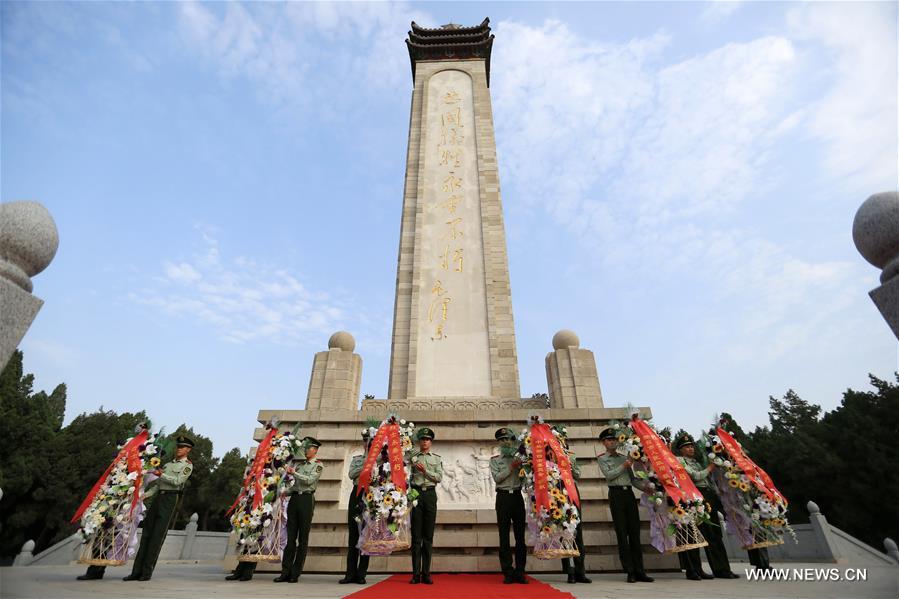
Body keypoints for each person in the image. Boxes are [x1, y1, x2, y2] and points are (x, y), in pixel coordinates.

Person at [122, 435, 194, 582]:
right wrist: (144, 495)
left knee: (157, 536)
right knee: (147, 534)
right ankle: (136, 571)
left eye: (182, 447)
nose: (178, 449)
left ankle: (146, 572)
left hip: (170, 498)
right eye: (178, 447)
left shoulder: (187, 466)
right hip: (159, 497)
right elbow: (157, 485)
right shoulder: (168, 465)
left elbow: (178, 481)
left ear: (188, 450)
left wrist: (162, 474)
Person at [675, 433, 739, 580]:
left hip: (708, 497)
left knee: (715, 533)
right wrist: (710, 467)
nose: (690, 449)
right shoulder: (680, 461)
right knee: (696, 533)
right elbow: (695, 476)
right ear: (680, 450)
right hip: (694, 497)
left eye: (691, 446)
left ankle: (722, 568)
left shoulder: (698, 462)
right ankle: (696, 570)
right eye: (686, 447)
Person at [597, 427, 653, 584]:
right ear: (603, 443)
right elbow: (609, 475)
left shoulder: (624, 458)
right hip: (616, 495)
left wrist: (646, 489)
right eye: (609, 440)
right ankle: (629, 571)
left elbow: (633, 479)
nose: (612, 442)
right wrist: (625, 465)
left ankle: (640, 570)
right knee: (622, 534)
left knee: (634, 533)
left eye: (614, 440)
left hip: (629, 495)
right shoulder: (602, 458)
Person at [274, 437, 323, 583]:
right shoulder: (300, 465)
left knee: (303, 538)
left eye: (309, 448)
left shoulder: (318, 465)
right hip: (294, 499)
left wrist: (293, 472)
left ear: (315, 450)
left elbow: (308, 481)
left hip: (307, 500)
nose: (306, 451)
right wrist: (284, 492)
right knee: (290, 537)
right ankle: (285, 571)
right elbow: (295, 485)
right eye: (306, 448)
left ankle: (295, 573)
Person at [490, 428, 527, 585]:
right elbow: (497, 478)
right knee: (503, 536)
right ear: (498, 442)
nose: (506, 442)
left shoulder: (521, 459)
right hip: (503, 497)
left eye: (508, 439)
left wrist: (522, 466)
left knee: (520, 537)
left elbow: (527, 479)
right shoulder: (495, 460)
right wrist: (511, 467)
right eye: (502, 439)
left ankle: (520, 571)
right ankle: (507, 571)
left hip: (518, 497)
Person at [408, 427, 442, 585]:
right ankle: (415, 574)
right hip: (415, 494)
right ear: (419, 441)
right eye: (422, 439)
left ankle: (426, 573)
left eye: (427, 439)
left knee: (428, 537)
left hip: (429, 494)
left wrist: (425, 471)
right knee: (416, 537)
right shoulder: (412, 457)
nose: (425, 442)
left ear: (431, 442)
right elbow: (404, 474)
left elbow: (439, 477)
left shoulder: (436, 458)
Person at [339, 430, 371, 585]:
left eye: (370, 440)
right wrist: (366, 464)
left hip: (372, 496)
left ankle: (361, 574)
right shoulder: (357, 459)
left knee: (366, 535)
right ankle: (350, 573)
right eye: (365, 440)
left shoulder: (379, 459)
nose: (367, 443)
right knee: (353, 535)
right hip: (356, 493)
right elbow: (352, 474)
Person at [560, 445, 591, 584]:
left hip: (573, 491)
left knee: (578, 532)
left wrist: (569, 464)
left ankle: (580, 571)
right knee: (565, 533)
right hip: (559, 492)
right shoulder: (548, 456)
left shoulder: (570, 455)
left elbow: (578, 474)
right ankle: (570, 571)